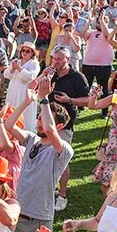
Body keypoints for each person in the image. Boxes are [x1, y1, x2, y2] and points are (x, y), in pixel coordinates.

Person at [6, 76, 73, 232]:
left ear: (59, 126)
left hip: (37, 215)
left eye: (44, 119)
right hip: (19, 209)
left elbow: (50, 131)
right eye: (39, 118)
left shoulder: (62, 149)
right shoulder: (32, 139)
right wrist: (27, 102)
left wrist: (44, 98)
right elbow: (10, 126)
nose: (40, 122)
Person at [46, 45, 90, 210]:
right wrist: (43, 78)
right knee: (46, 157)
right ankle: (50, 190)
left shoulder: (78, 77)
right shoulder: (50, 74)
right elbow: (34, 90)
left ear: (68, 59)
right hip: (46, 122)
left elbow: (87, 100)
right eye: (54, 59)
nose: (55, 62)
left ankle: (62, 195)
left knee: (62, 159)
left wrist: (69, 100)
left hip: (64, 125)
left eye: (59, 59)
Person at [3, 42, 40, 132]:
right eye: (23, 50)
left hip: (25, 92)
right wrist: (13, 68)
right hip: (13, 90)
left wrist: (19, 68)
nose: (24, 53)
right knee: (11, 110)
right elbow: (6, 74)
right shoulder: (17, 61)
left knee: (25, 114)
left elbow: (30, 77)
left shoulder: (34, 63)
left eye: (27, 51)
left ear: (32, 53)